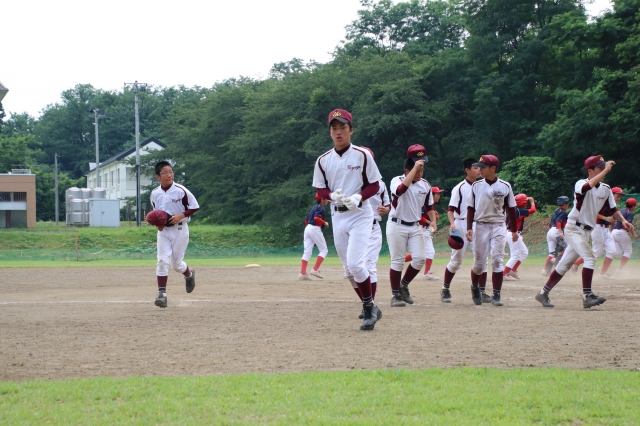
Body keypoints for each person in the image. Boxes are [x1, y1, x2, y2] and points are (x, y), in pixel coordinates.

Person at [313, 109, 383, 330]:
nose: (338, 132)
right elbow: (320, 189)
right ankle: (370, 305)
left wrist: (359, 196)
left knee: (356, 264)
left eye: (342, 127)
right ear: (329, 132)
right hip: (338, 215)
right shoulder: (323, 160)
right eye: (334, 128)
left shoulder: (362, 155)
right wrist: (332, 196)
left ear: (351, 130)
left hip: (360, 214)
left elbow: (375, 185)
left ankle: (369, 308)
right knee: (348, 270)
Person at [534, 156, 634, 309]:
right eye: (600, 168)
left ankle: (543, 293)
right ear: (590, 171)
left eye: (603, 168)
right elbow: (588, 187)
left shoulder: (606, 188)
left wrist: (624, 220)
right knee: (590, 257)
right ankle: (587, 295)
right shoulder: (581, 183)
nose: (603, 170)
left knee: (564, 265)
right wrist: (606, 170)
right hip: (573, 228)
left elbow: (613, 208)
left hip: (586, 231)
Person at [387, 145, 437, 307]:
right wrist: (414, 169)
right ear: (407, 170)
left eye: (422, 170)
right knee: (398, 261)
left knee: (420, 258)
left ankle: (403, 285)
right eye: (417, 169)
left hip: (415, 226)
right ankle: (395, 295)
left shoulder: (425, 185)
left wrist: (433, 221)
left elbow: (430, 206)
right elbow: (400, 191)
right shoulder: (397, 180)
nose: (420, 173)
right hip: (397, 224)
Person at [466, 154, 518, 307]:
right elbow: (470, 208)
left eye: (483, 167)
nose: (480, 170)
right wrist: (469, 227)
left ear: (493, 168)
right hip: (480, 225)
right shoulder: (476, 186)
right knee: (479, 263)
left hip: (498, 225)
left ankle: (496, 294)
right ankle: (475, 287)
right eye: (479, 167)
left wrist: (514, 230)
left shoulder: (505, 186)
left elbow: (511, 208)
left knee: (497, 259)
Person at [150, 161, 199, 308]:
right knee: (162, 261)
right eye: (165, 172)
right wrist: (158, 224)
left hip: (180, 229)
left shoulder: (180, 190)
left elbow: (195, 206)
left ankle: (189, 274)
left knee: (176, 265)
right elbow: (157, 213)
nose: (169, 175)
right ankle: (162, 295)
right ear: (158, 177)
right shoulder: (155, 193)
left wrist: (181, 215)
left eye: (171, 172)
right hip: (164, 231)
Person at [441, 158, 482, 303]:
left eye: (479, 168)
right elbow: (451, 210)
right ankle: (445, 288)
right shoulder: (459, 188)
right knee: (456, 261)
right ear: (467, 170)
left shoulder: (482, 186)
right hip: (461, 223)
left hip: (478, 224)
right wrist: (453, 224)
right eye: (475, 168)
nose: (479, 170)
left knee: (481, 259)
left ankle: (480, 290)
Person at [360, 146, 391, 317]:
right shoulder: (350, 181)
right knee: (352, 269)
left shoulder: (380, 184)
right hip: (354, 228)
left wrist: (386, 209)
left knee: (368, 265)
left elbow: (387, 204)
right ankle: (368, 304)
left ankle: (368, 306)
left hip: (372, 228)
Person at [571, 186, 624, 277]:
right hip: (597, 228)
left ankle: (603, 273)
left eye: (620, 196)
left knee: (612, 251)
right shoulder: (603, 202)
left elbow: (609, 218)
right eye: (617, 196)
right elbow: (592, 212)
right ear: (611, 195)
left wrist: (611, 222)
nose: (619, 198)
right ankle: (576, 263)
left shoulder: (612, 206)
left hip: (606, 229)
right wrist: (606, 218)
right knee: (596, 253)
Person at [403, 186, 443, 280]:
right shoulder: (424, 205)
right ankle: (399, 261)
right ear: (432, 195)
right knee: (421, 253)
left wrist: (431, 225)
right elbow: (418, 217)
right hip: (418, 229)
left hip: (424, 230)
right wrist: (430, 222)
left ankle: (426, 273)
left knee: (429, 252)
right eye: (437, 194)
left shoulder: (431, 205)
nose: (439, 196)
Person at [503, 194, 536, 280]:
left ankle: (513, 270)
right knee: (515, 256)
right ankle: (504, 274)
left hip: (510, 233)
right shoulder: (520, 210)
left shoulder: (512, 210)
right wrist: (532, 201)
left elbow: (506, 222)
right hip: (514, 234)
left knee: (524, 252)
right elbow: (533, 210)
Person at [299, 194, 330, 280]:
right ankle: (315, 269)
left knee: (307, 252)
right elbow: (316, 218)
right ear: (322, 199)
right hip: (315, 228)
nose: (327, 201)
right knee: (324, 250)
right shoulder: (321, 208)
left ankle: (303, 273)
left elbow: (306, 220)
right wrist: (324, 223)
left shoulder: (313, 207)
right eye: (326, 199)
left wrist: (310, 233)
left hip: (308, 228)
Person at [542, 196, 570, 276]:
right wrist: (560, 232)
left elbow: (551, 223)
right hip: (557, 231)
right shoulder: (563, 212)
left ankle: (545, 270)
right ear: (565, 204)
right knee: (568, 248)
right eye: (567, 204)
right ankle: (556, 260)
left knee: (552, 253)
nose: (568, 205)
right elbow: (558, 222)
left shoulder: (556, 210)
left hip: (550, 231)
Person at [612, 197, 638, 273]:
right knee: (628, 251)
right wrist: (634, 234)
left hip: (613, 232)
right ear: (633, 206)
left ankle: (606, 250)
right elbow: (627, 226)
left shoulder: (621, 211)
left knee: (618, 253)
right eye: (635, 205)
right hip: (621, 232)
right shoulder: (630, 213)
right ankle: (619, 269)